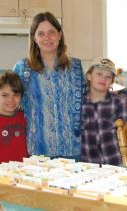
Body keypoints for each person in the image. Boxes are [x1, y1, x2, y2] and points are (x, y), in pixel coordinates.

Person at [13, 12, 85, 160]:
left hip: (72, 149)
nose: (47, 38)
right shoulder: (23, 68)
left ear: (59, 35)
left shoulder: (76, 67)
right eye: (41, 34)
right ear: (34, 38)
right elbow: (11, 103)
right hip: (37, 151)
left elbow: (87, 102)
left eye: (51, 32)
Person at [81, 58, 127, 166]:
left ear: (112, 81)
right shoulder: (78, 103)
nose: (103, 79)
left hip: (115, 164)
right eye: (99, 74)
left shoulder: (120, 103)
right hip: (87, 166)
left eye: (108, 76)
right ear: (89, 76)